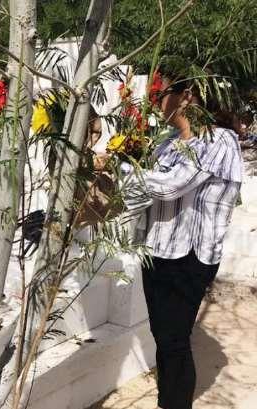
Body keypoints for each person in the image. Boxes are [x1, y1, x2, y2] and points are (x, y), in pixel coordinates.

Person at [121, 78, 243, 409]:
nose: (156, 101)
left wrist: (122, 170)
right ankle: (168, 401)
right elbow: (146, 191)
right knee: (163, 337)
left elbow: (172, 185)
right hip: (158, 251)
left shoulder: (219, 140)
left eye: (161, 94)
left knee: (174, 340)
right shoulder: (170, 142)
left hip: (189, 257)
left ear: (185, 97)